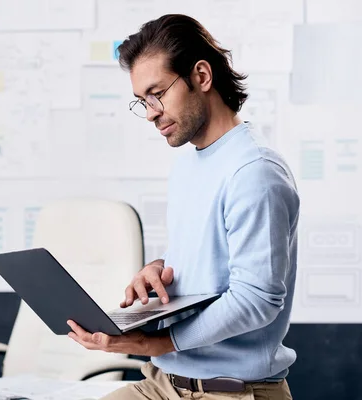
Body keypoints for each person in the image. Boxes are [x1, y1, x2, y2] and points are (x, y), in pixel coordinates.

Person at [66, 14, 299, 400]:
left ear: (202, 76)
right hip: (164, 382)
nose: (151, 112)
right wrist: (158, 269)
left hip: (230, 390)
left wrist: (156, 343)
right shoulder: (191, 161)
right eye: (142, 101)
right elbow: (208, 256)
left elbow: (258, 299)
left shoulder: (255, 172)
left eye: (158, 93)